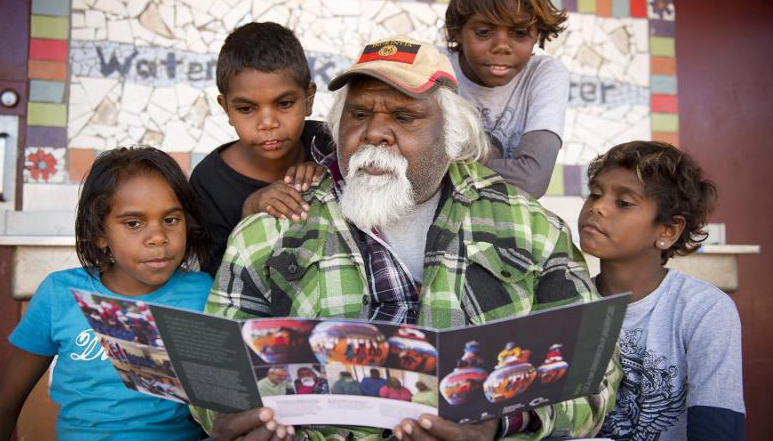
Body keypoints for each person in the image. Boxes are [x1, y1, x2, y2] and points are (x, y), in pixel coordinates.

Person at [191, 36, 620, 441]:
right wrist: (233, 418)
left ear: (451, 135)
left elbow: (597, 375)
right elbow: (213, 375)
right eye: (359, 116)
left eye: (403, 116)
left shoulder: (527, 225)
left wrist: (500, 424)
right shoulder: (270, 229)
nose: (375, 132)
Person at [0, 147, 212, 441]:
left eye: (171, 220)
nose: (158, 237)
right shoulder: (61, 294)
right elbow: (4, 405)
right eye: (133, 223)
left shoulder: (203, 293)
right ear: (99, 234)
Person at [578, 141, 745, 440]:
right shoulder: (568, 304)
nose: (597, 207)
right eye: (595, 193)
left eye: (624, 202)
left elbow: (718, 428)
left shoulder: (704, 310)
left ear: (668, 231)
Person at [189, 21, 331, 276]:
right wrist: (250, 211)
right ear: (226, 109)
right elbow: (221, 277)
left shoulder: (327, 144)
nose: (268, 123)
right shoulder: (209, 182)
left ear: (308, 99)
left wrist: (327, 174)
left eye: (285, 103)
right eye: (246, 109)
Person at [444, 0, 569, 198]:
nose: (501, 46)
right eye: (483, 32)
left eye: (520, 32)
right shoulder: (435, 67)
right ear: (457, 30)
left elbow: (531, 180)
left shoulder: (544, 74)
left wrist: (447, 164)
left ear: (537, 34)